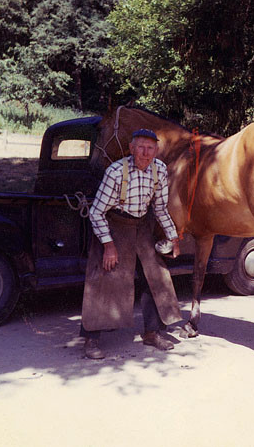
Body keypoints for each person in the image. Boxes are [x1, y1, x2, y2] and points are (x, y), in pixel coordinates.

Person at [80, 128, 182, 359]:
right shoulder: (116, 171)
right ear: (132, 149)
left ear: (156, 150)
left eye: (150, 148)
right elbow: (96, 212)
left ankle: (152, 333)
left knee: (156, 275)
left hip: (142, 226)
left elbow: (160, 209)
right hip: (114, 224)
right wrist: (108, 246)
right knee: (104, 277)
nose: (146, 153)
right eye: (141, 148)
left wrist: (173, 238)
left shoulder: (160, 170)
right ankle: (91, 339)